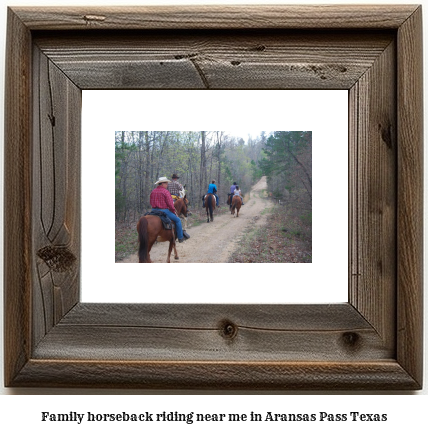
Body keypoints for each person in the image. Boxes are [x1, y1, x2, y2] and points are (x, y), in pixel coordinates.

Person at [150, 177, 189, 243]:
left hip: (153, 210)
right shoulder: (165, 192)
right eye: (166, 183)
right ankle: (180, 237)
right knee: (178, 220)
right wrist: (174, 211)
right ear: (162, 184)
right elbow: (170, 205)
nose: (167, 184)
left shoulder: (153, 191)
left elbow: (151, 202)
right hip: (163, 210)